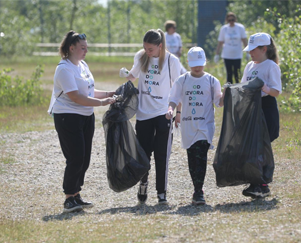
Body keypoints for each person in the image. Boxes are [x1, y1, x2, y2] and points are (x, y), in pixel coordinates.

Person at [47, 30, 116, 213]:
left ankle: (76, 194)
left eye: (87, 48)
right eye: (82, 48)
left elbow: (89, 92)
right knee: (76, 157)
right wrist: (102, 103)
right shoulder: (64, 68)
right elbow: (76, 97)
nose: (86, 51)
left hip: (86, 116)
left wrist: (109, 94)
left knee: (84, 159)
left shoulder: (82, 65)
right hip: (67, 116)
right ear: (71, 48)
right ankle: (69, 198)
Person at [124, 29, 181, 205]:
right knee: (144, 152)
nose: (147, 52)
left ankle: (162, 192)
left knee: (162, 154)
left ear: (160, 46)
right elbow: (133, 76)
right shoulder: (141, 56)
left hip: (164, 113)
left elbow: (178, 88)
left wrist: (178, 112)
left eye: (150, 49)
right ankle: (143, 183)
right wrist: (125, 76)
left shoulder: (172, 61)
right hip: (144, 113)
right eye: (145, 48)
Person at [166, 47, 225, 205]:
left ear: (205, 62)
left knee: (201, 155)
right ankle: (196, 187)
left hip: (205, 126)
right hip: (188, 125)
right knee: (192, 157)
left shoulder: (212, 81)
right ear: (188, 63)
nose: (197, 67)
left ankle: (199, 191)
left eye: (200, 64)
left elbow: (219, 102)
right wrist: (171, 109)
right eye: (194, 64)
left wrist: (227, 94)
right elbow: (174, 98)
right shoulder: (182, 80)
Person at [240, 32, 282, 198]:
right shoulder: (249, 66)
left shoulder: (271, 66)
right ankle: (256, 182)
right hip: (252, 108)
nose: (250, 53)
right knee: (252, 147)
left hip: (266, 108)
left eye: (253, 50)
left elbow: (276, 91)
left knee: (261, 147)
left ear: (264, 49)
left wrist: (264, 88)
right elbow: (244, 86)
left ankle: (262, 184)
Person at [214, 12, 248, 84]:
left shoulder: (240, 28)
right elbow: (220, 42)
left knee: (237, 73)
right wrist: (217, 54)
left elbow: (244, 40)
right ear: (227, 20)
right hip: (227, 55)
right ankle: (229, 91)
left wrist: (248, 52)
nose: (231, 22)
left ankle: (238, 90)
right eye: (229, 20)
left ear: (235, 19)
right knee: (229, 74)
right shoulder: (224, 29)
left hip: (237, 54)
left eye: (232, 20)